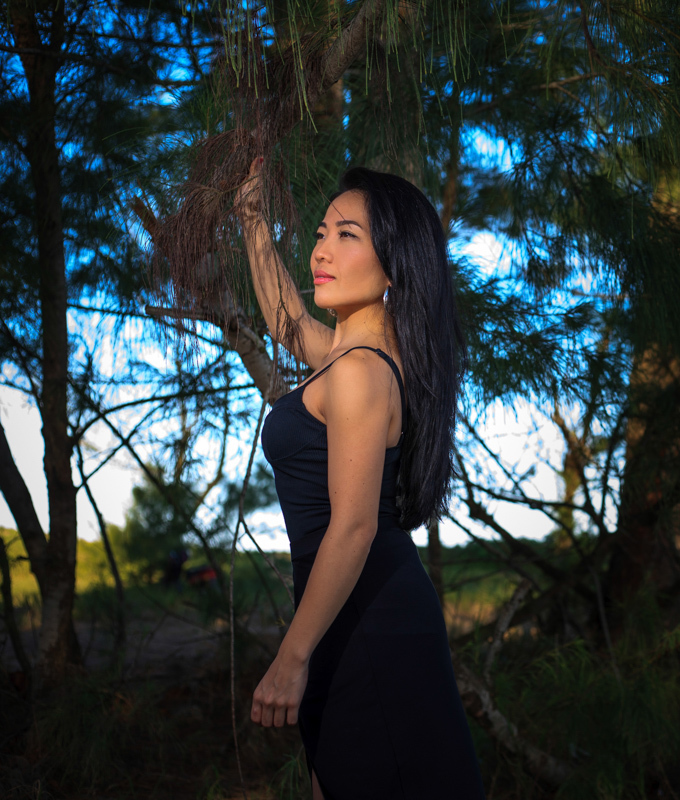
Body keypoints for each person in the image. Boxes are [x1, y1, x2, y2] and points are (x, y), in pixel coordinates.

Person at [235, 158, 485, 800]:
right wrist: (253, 224)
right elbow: (288, 323)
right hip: (350, 616)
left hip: (370, 621)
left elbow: (353, 526)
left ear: (394, 263)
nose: (321, 250)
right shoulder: (357, 358)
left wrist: (291, 658)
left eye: (347, 235)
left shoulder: (360, 371)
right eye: (321, 233)